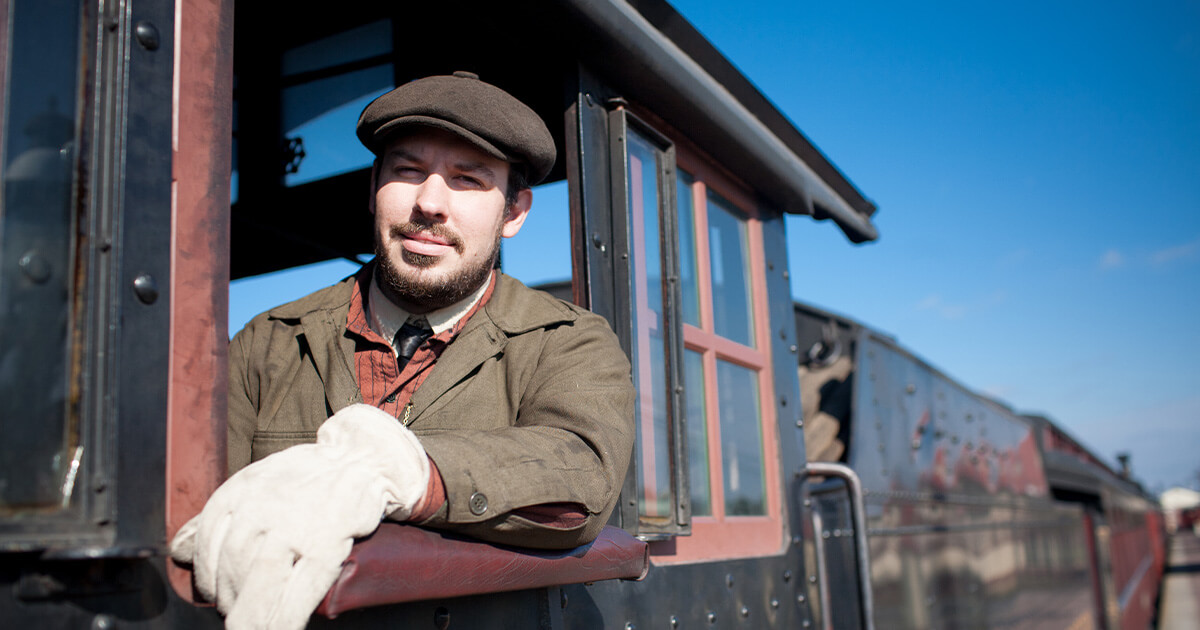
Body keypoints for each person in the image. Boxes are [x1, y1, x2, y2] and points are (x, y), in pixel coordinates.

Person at [170, 72, 635, 630]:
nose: (430, 203)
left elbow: (581, 473)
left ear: (513, 213)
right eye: (408, 171)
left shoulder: (570, 342)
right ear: (374, 189)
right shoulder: (266, 341)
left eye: (468, 180)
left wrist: (414, 474)